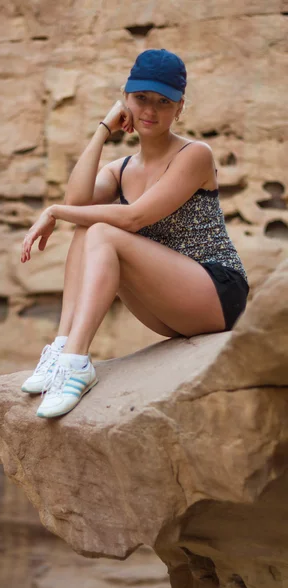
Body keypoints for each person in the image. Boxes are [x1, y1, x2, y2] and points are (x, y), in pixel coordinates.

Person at [20, 48, 249, 419]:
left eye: (163, 101)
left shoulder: (195, 155)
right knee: (88, 225)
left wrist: (53, 212)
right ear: (125, 98)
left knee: (103, 229)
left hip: (215, 292)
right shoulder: (122, 168)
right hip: (168, 302)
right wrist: (103, 129)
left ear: (180, 107)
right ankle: (62, 348)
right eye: (141, 98)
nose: (150, 111)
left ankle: (76, 361)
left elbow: (133, 217)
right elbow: (77, 199)